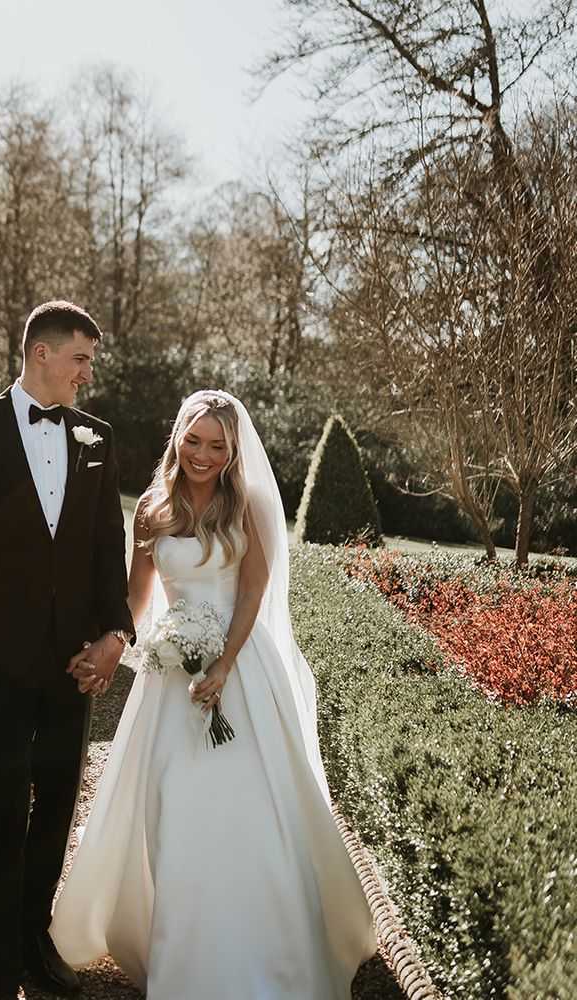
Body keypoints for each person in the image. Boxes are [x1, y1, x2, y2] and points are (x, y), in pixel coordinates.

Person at [49, 389, 377, 999]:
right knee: (172, 804)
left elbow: (254, 590)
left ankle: (264, 945)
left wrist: (224, 663)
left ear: (232, 450)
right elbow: (137, 596)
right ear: (178, 437)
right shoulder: (153, 506)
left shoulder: (247, 502)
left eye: (217, 445)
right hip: (171, 676)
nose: (203, 454)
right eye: (193, 440)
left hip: (241, 665)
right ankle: (182, 954)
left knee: (246, 805)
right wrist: (114, 646)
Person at [0, 300, 136, 1000]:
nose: (86, 375)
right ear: (41, 352)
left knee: (58, 803)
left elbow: (107, 549)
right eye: (80, 360)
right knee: (7, 804)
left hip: (71, 660)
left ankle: (33, 939)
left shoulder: (96, 436)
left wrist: (114, 634)